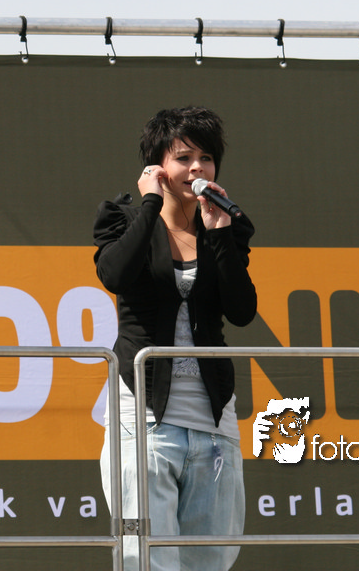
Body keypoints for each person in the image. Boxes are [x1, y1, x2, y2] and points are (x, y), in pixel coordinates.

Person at [93, 106, 257, 571]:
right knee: (146, 556)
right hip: (143, 411)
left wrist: (220, 237)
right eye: (183, 158)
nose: (197, 168)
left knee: (210, 557)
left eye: (206, 158)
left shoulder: (225, 226)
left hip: (213, 416)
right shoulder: (124, 219)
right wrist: (150, 206)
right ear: (157, 166)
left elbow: (242, 312)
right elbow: (115, 275)